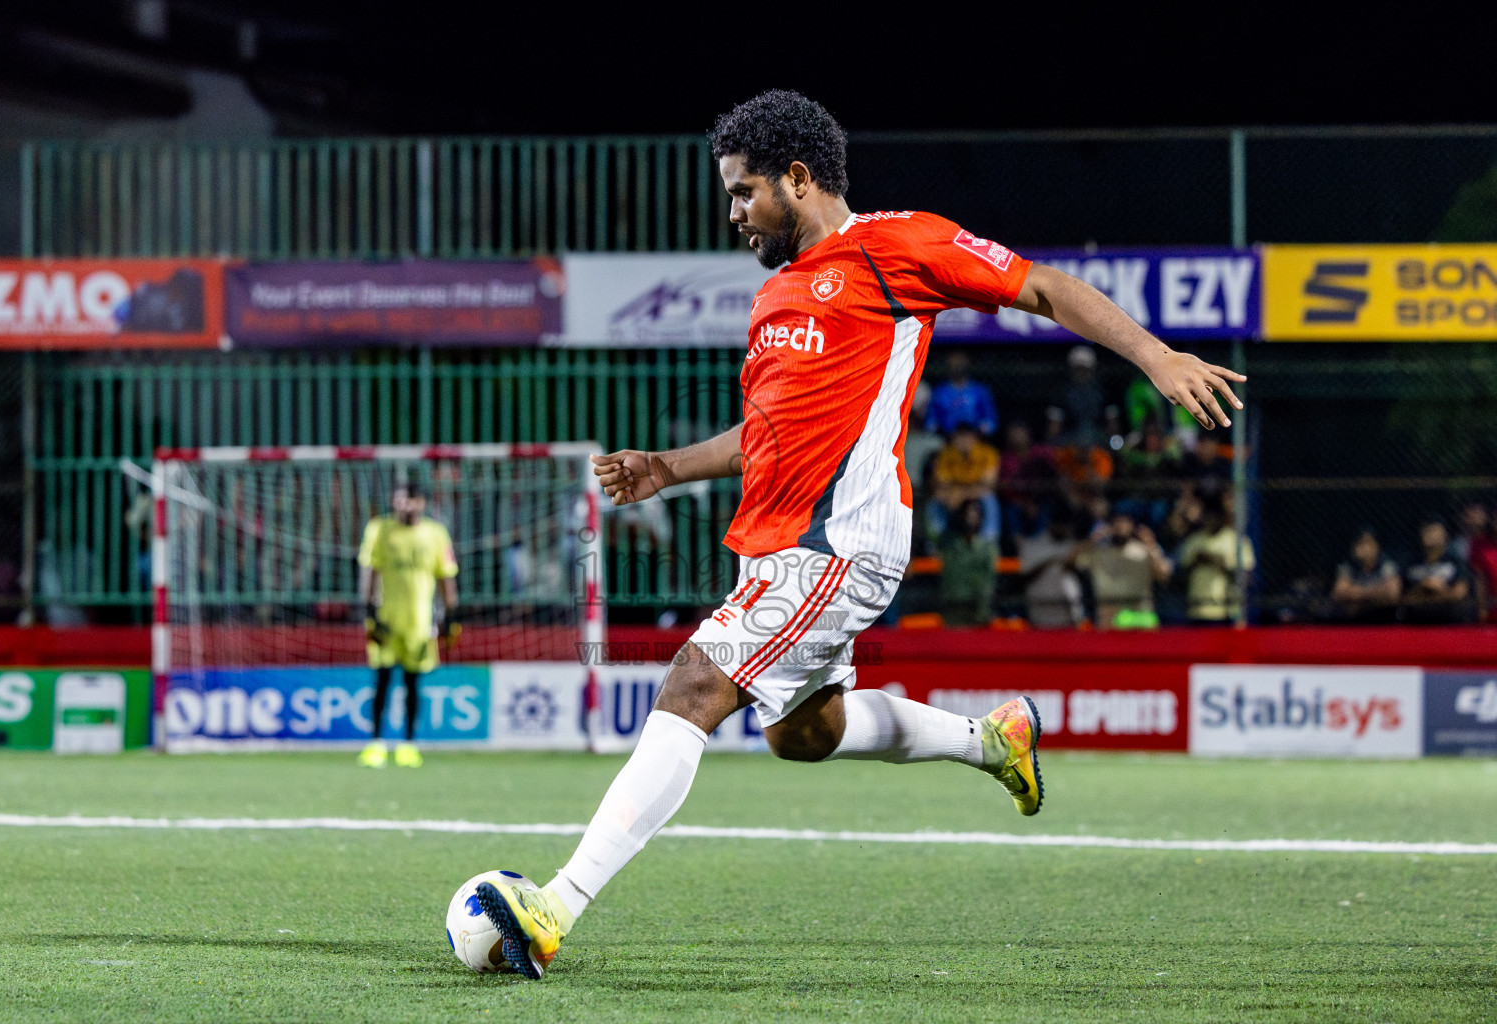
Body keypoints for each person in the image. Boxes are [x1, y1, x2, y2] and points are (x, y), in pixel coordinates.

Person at [474, 90, 1246, 980]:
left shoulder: (896, 245)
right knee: (802, 732)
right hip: (781, 549)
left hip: (838, 544)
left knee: (692, 685)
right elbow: (769, 432)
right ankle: (990, 740)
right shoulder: (774, 299)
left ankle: (554, 906)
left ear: (798, 180)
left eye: (743, 192)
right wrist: (668, 467)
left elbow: (1041, 284)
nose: (732, 213)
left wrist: (1156, 357)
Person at [355, 480, 458, 769]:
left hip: (420, 622)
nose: (404, 505)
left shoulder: (435, 534)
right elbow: (370, 569)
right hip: (386, 618)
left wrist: (451, 615)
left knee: (413, 683)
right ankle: (375, 744)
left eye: (410, 500)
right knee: (382, 681)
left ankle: (408, 745)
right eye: (399, 500)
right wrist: (369, 612)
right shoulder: (380, 529)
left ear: (422, 503)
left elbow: (446, 575)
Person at [1077, 511, 1173, 628]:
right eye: (1116, 522)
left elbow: (1164, 575)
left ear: (1132, 526)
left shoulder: (1144, 551)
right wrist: (1093, 539)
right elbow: (1071, 562)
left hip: (1140, 619)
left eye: (1125, 522)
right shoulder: (1098, 552)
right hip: (1109, 622)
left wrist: (1151, 545)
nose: (1120, 526)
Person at [1177, 495, 1254, 623]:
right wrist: (1196, 562)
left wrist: (1217, 561)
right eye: (1207, 515)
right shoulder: (1193, 541)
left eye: (1215, 515)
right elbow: (1180, 576)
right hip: (1197, 611)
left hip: (1227, 612)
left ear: (1222, 517)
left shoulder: (1237, 541)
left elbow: (1247, 578)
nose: (1210, 519)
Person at [1401, 518, 1475, 624]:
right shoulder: (1411, 565)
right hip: (1416, 623)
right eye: (1427, 530)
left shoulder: (1456, 563)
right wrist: (1423, 586)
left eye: (1434, 530)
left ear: (1446, 535)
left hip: (1450, 623)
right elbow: (1402, 597)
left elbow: (1459, 593)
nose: (1430, 534)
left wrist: (1437, 590)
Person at [939, 499, 999, 626]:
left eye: (975, 513)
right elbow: (949, 579)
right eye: (967, 513)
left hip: (978, 611)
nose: (971, 516)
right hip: (953, 611)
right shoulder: (951, 546)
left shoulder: (987, 548)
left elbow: (988, 582)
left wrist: (983, 611)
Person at [1329, 528, 1401, 623]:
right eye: (1360, 544)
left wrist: (1357, 592)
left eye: (1368, 543)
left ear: (1377, 546)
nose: (1364, 548)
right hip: (1353, 618)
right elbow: (1339, 593)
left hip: (1383, 618)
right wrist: (1377, 592)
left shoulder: (1386, 564)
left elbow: (1393, 594)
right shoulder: (1348, 566)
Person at [924, 350, 999, 437]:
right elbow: (930, 421)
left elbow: (991, 420)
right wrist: (941, 431)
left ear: (967, 364)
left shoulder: (980, 391)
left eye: (960, 362)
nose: (957, 366)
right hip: (946, 439)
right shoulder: (940, 392)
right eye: (954, 363)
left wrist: (979, 432)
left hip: (975, 439)